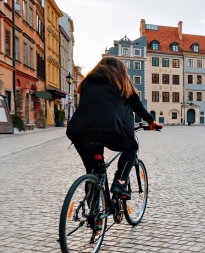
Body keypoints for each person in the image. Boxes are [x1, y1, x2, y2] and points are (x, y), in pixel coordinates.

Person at [67, 57, 162, 199]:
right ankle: (120, 182)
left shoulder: (87, 81)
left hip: (79, 131)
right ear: (121, 70)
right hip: (111, 130)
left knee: (94, 172)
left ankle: (94, 218)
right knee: (131, 147)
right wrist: (151, 121)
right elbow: (137, 105)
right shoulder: (121, 81)